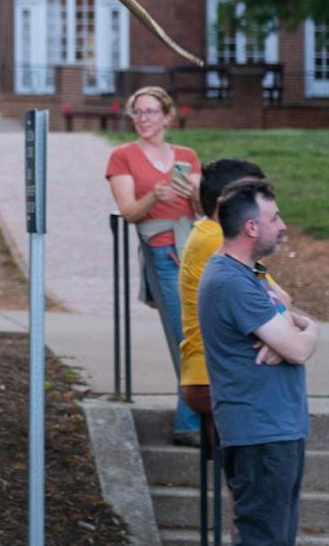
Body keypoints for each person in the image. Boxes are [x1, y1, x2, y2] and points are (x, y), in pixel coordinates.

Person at [199, 180, 317, 546]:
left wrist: (298, 331)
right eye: (275, 218)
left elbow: (290, 321)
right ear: (251, 227)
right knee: (263, 538)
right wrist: (303, 334)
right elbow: (297, 349)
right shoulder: (230, 281)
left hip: (277, 428)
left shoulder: (251, 273)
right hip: (260, 432)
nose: (283, 225)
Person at [106, 85, 203, 444]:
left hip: (194, 249)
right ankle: (189, 424)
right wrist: (154, 195)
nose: (143, 118)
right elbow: (130, 212)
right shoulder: (123, 156)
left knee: (205, 333)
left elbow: (203, 210)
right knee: (186, 336)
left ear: (167, 116)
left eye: (150, 112)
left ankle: (198, 420)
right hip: (162, 253)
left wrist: (194, 192)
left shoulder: (187, 155)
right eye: (137, 112)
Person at [180, 159, 293, 439]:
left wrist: (282, 335)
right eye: (250, 193)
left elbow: (280, 296)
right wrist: (287, 337)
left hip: (219, 372)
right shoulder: (217, 241)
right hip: (216, 378)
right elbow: (279, 300)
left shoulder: (215, 235)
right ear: (227, 201)